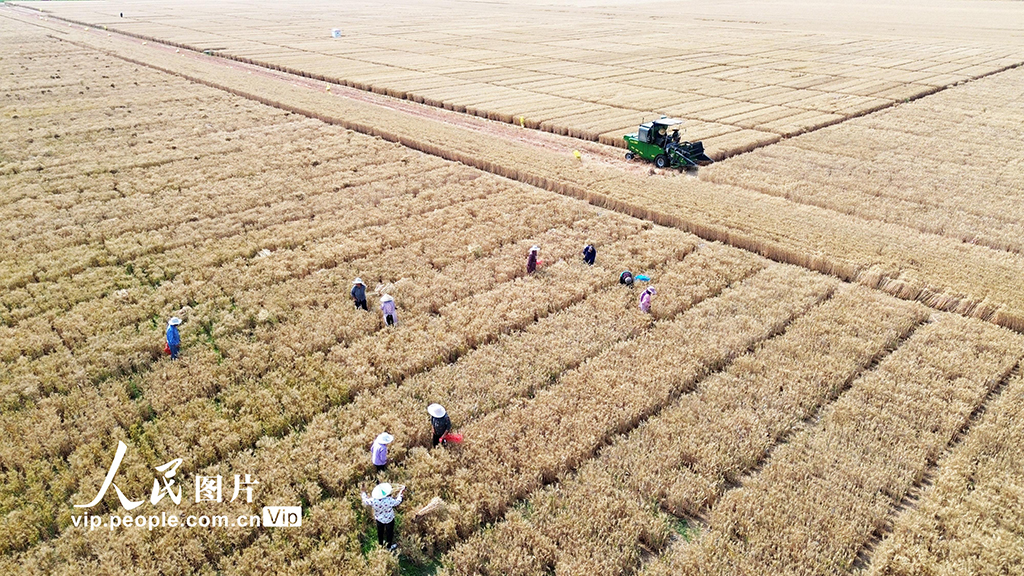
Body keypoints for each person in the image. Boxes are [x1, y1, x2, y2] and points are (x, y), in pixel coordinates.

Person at [361, 482, 404, 551]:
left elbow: (365, 501)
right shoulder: (389, 500)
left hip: (379, 519)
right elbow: (398, 501)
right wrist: (401, 494)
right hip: (389, 519)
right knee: (389, 533)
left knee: (380, 532)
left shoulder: (374, 500)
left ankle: (380, 545)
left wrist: (363, 492)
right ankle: (389, 547)